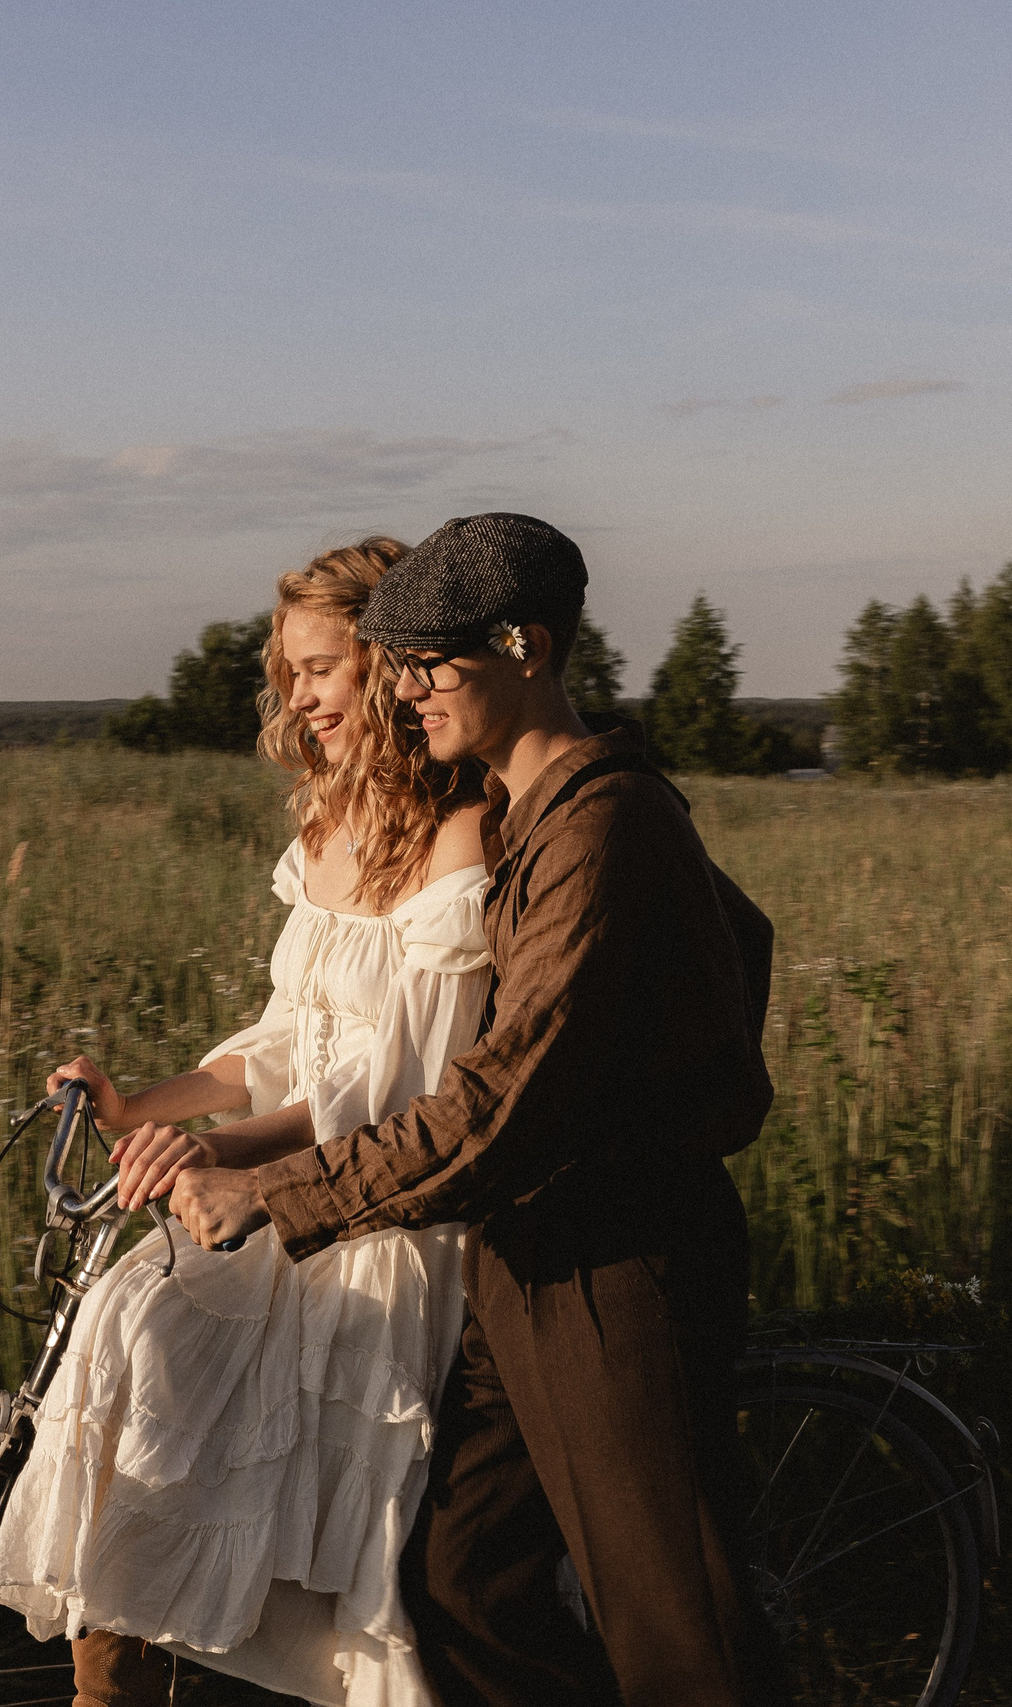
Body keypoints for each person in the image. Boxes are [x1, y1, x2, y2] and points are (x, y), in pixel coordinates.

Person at [170, 513, 790, 1707]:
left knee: (676, 1635)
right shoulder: (528, 813)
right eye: (392, 663)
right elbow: (740, 935)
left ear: (525, 646)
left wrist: (269, 1189)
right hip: (516, 1260)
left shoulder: (606, 825)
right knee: (459, 1588)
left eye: (428, 663)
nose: (404, 693)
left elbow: (496, 1108)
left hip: (618, 1266)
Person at [0, 536, 503, 1707]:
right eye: (288, 672)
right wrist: (144, 1103)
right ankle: (107, 1683)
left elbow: (396, 1088)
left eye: (321, 668)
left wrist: (224, 1156)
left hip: (377, 1217)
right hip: (282, 1188)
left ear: (389, 668)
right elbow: (289, 1036)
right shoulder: (323, 834)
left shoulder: (461, 842)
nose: (299, 696)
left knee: (183, 1357)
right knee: (126, 1323)